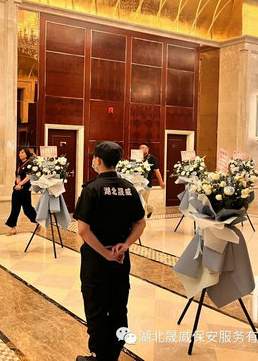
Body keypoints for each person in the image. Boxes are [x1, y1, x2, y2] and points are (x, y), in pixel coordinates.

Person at [74, 141, 146, 361]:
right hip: (121, 258)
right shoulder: (129, 188)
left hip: (97, 259)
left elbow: (83, 230)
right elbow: (140, 222)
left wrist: (106, 254)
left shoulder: (92, 189)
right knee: (118, 304)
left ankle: (98, 355)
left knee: (96, 305)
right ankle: (113, 353)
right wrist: (126, 245)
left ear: (97, 160)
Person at [5, 148, 37, 236]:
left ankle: (37, 221)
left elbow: (28, 177)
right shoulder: (20, 164)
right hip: (16, 189)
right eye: (19, 153)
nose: (20, 154)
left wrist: (20, 184)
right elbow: (18, 176)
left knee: (27, 209)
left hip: (25, 190)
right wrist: (16, 185)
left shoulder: (30, 164)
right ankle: (13, 228)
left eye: (22, 152)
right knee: (14, 209)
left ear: (26, 154)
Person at [139, 142, 165, 218]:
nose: (142, 149)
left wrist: (161, 182)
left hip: (147, 183)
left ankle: (141, 219)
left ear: (148, 149)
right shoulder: (137, 158)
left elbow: (156, 170)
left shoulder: (151, 158)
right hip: (138, 183)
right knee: (142, 200)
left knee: (142, 201)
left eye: (144, 148)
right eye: (140, 148)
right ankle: (150, 209)